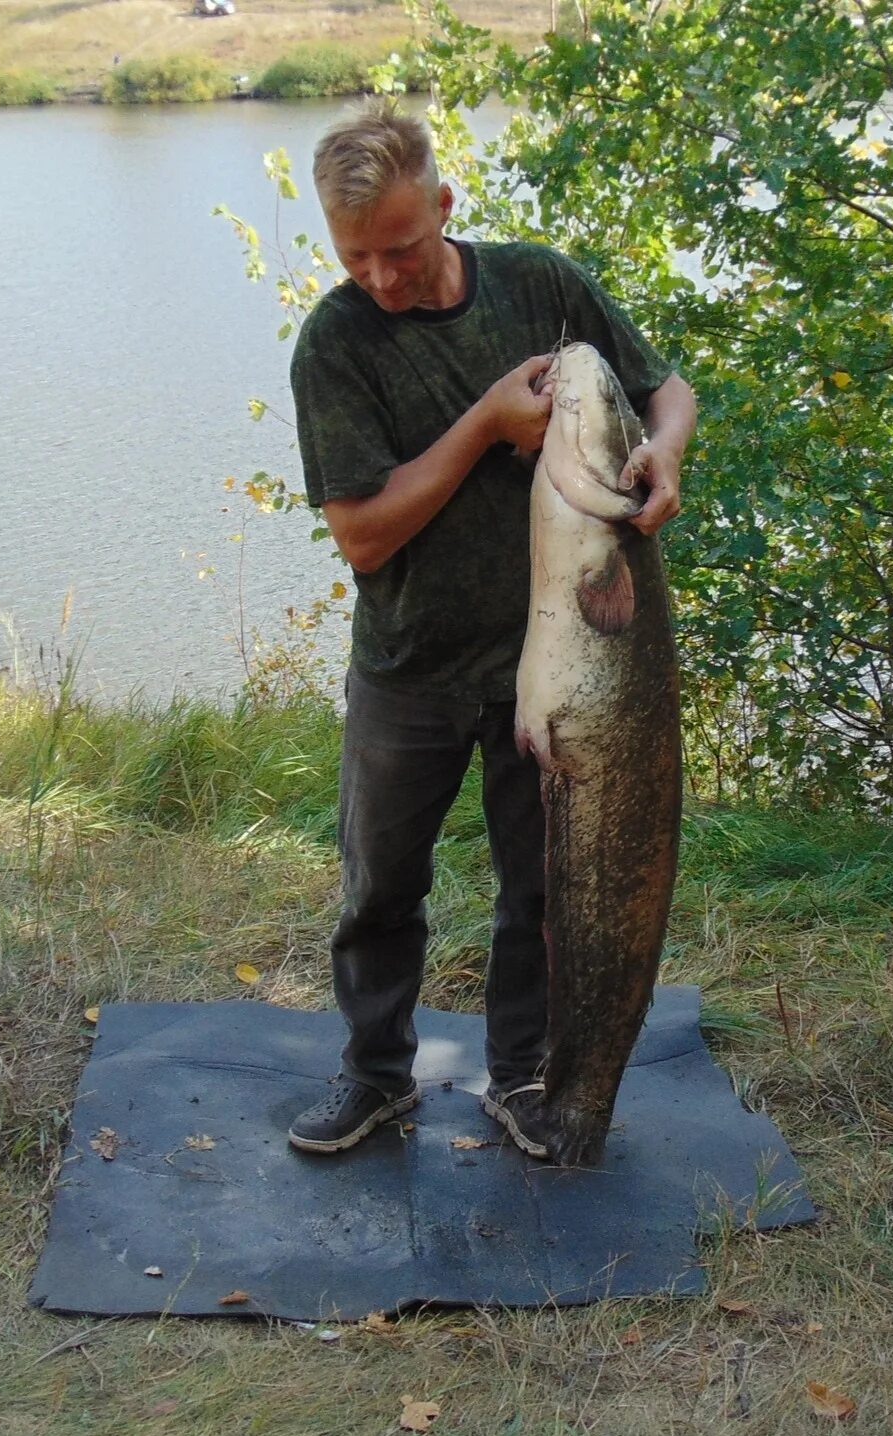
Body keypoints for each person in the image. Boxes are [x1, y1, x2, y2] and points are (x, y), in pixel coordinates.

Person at [286, 97, 696, 1158]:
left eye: (402, 248)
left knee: (542, 895)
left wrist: (665, 456)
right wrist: (482, 425)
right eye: (356, 255)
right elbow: (364, 536)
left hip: (554, 670)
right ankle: (374, 1075)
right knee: (378, 886)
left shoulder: (538, 284)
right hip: (408, 667)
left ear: (445, 204)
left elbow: (667, 390)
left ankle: (523, 1079)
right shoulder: (335, 342)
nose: (380, 276)